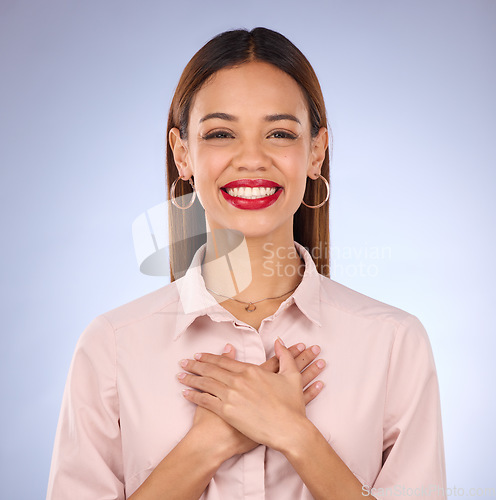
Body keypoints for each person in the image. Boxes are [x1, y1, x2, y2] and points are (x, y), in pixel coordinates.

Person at [47, 27, 447, 500]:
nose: (252, 159)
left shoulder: (394, 342)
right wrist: (204, 446)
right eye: (221, 133)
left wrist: (295, 435)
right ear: (183, 154)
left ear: (315, 152)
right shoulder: (111, 346)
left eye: (279, 133)